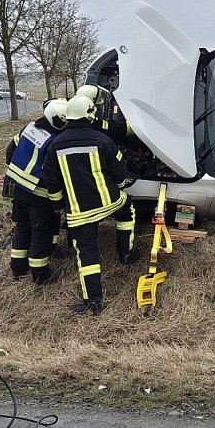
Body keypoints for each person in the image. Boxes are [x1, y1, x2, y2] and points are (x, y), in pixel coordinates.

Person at [42, 95, 139, 315]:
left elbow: (51, 179)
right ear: (90, 114)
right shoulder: (102, 140)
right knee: (127, 211)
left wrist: (58, 205)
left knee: (86, 255)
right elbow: (119, 171)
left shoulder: (56, 144)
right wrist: (120, 185)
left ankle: (93, 301)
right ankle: (125, 254)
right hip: (109, 202)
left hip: (79, 211)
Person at [5, 98, 68, 285]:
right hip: (39, 195)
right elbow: (52, 176)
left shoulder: (30, 128)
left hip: (18, 190)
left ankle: (18, 268)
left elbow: (11, 150)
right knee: (42, 233)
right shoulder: (55, 141)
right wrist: (58, 202)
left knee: (23, 228)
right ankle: (41, 275)